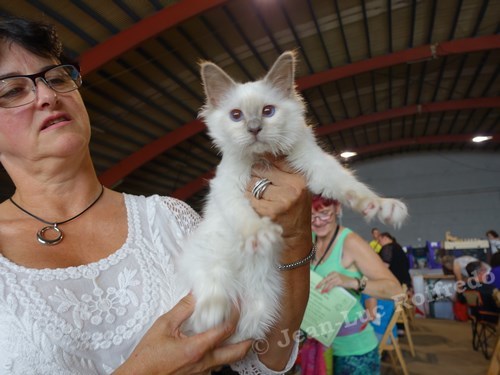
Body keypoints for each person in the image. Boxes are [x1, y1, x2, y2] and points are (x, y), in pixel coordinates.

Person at [0, 17, 314, 374]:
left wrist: (295, 238)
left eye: (56, 78)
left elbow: (264, 359)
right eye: (12, 90)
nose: (47, 95)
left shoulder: (169, 220)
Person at [303, 195, 402, 374]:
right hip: (319, 347)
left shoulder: (350, 242)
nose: (317, 222)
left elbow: (394, 289)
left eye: (324, 214)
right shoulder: (309, 239)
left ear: (337, 208)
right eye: (311, 216)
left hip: (354, 351)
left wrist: (352, 282)